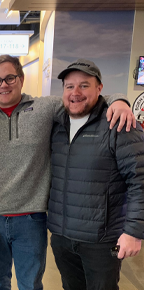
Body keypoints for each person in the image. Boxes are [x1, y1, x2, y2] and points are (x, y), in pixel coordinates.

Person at [0, 54, 135, 290]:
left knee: (30, 284)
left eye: (10, 78)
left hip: (31, 219)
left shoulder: (45, 108)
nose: (3, 85)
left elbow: (85, 99)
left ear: (21, 79)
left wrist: (120, 100)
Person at [48, 59, 144, 290]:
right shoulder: (57, 124)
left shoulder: (119, 123)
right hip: (62, 237)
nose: (76, 93)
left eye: (84, 85)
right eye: (69, 86)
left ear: (100, 88)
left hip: (101, 241)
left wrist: (134, 231)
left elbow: (140, 180)